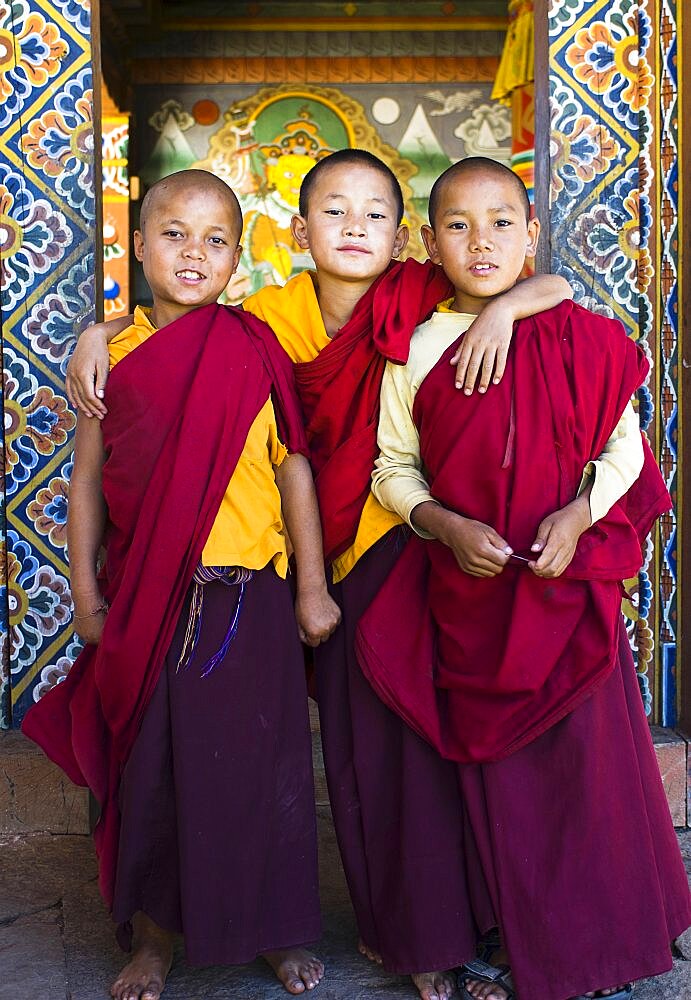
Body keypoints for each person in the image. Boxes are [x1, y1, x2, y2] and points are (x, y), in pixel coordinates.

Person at [64, 150, 573, 1000]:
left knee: (353, 755)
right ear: (296, 232)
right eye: (333, 213)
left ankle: (424, 927)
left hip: (383, 548)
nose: (353, 229)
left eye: (374, 214)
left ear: (403, 232)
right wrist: (100, 329)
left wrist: (506, 307)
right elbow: (154, 375)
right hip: (244, 573)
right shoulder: (260, 317)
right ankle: (209, 933)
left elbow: (546, 288)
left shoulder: (398, 298)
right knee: (246, 759)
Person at [356, 156, 691, 1000]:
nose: (481, 241)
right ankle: (508, 936)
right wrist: (441, 524)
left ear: (531, 232)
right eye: (458, 225)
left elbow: (625, 450)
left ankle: (600, 943)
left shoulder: (580, 332)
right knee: (492, 785)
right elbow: (390, 467)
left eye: (502, 222)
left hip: (561, 585)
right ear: (429, 242)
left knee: (586, 775)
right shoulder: (415, 347)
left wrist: (577, 517)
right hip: (467, 593)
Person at [23, 169, 343, 1000]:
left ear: (240, 254)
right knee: (154, 772)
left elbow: (295, 470)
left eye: (216, 239)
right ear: (136, 243)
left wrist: (312, 587)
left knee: (264, 770)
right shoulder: (117, 355)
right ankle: (157, 939)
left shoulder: (253, 344)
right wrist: (87, 601)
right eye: (174, 233)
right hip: (155, 601)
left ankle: (272, 930)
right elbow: (86, 482)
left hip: (253, 597)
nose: (194, 253)